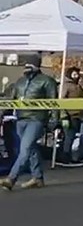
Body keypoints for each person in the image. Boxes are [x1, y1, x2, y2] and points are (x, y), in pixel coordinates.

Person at [1, 55, 59, 190]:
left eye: (29, 64)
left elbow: (54, 102)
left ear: (36, 66)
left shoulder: (47, 81)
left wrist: (54, 119)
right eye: (25, 64)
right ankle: (37, 178)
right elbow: (11, 100)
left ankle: (11, 178)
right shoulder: (20, 82)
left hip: (36, 119)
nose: (26, 66)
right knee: (31, 149)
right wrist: (2, 114)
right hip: (20, 119)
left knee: (25, 149)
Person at [58, 67, 83, 167]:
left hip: (77, 115)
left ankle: (67, 156)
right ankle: (65, 158)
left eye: (77, 74)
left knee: (71, 136)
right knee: (68, 137)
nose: (77, 76)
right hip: (69, 115)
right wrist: (63, 116)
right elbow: (61, 101)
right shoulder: (66, 86)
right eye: (74, 74)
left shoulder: (78, 85)